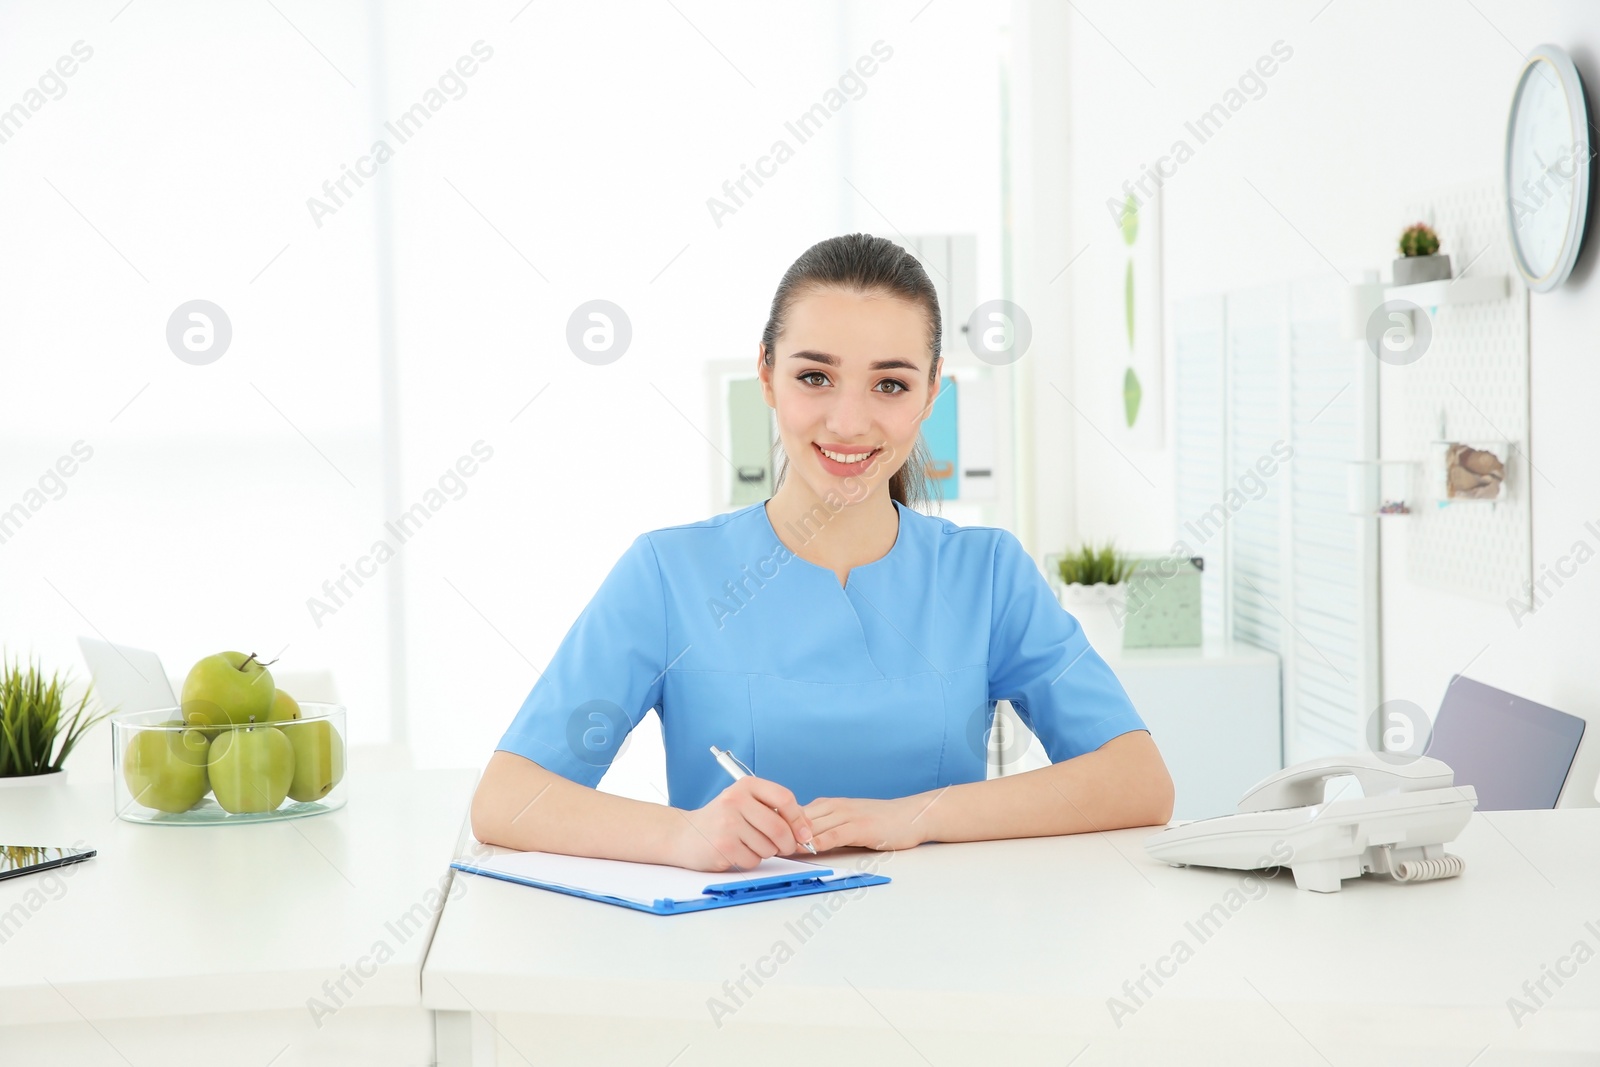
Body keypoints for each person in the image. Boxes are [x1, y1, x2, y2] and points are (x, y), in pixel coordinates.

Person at [471, 233, 1174, 872]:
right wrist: (681, 835)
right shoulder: (667, 575)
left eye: (890, 384)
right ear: (766, 373)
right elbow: (508, 798)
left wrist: (917, 818)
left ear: (932, 393)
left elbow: (1137, 779)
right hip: (724, 961)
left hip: (952, 961)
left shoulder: (986, 574)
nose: (848, 420)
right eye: (815, 377)